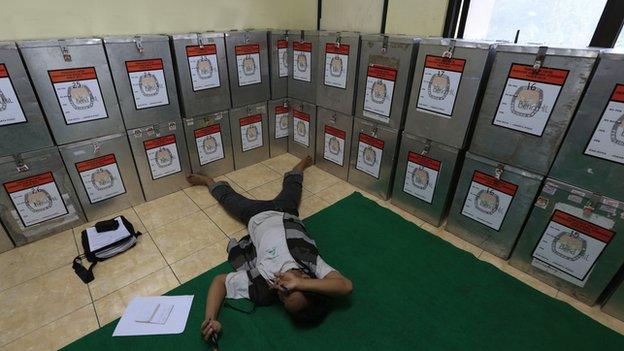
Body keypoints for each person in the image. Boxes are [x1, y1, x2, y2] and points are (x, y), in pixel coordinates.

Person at [186, 156, 353, 343]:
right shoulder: (313, 265)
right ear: (307, 281)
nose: (281, 290)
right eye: (289, 290)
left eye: (282, 299)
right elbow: (346, 286)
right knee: (293, 186)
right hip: (286, 211)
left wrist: (211, 319)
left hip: (254, 214)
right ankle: (301, 165)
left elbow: (220, 282)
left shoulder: (264, 281)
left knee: (227, 198)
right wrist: (298, 284)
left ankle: (208, 181)